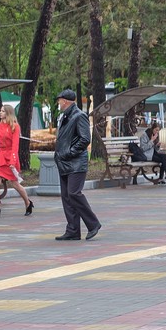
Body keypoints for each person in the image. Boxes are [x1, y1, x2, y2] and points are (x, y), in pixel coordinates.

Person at [54, 89, 102, 241]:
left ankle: (93, 224)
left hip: (75, 163)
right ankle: (73, 230)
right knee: (67, 197)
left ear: (66, 101)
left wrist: (69, 153)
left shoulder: (79, 116)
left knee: (74, 193)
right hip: (65, 163)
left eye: (59, 100)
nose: (58, 103)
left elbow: (85, 139)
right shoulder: (65, 117)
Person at [0, 104, 35, 218]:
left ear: (8, 113)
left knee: (15, 184)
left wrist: (13, 161)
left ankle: (28, 202)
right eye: (0, 111)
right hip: (1, 157)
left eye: (3, 111)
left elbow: (15, 145)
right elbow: (0, 141)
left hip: (10, 157)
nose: (0, 113)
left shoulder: (15, 126)